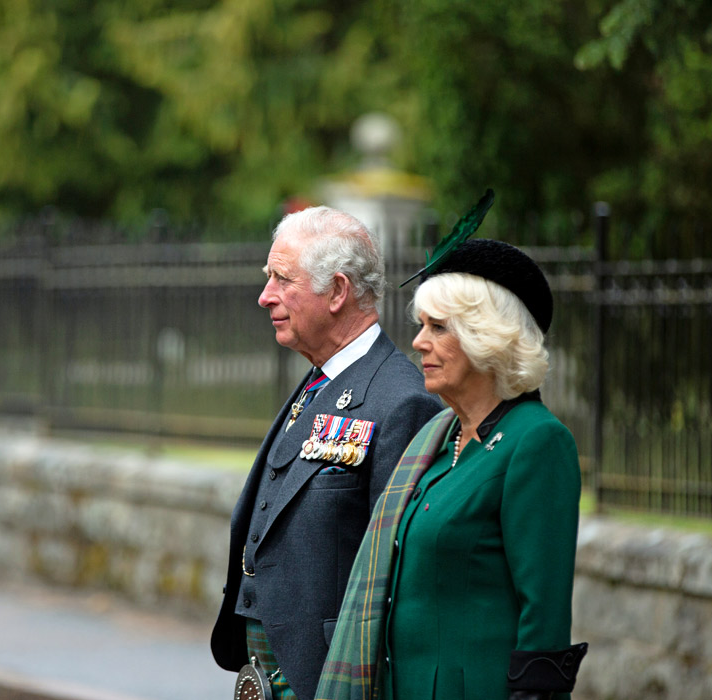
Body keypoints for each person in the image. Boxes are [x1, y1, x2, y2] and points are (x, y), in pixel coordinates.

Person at [316, 237, 587, 700]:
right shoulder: (438, 439)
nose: (419, 342)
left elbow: (544, 617)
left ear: (488, 336)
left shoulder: (537, 442)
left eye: (438, 327)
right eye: (422, 325)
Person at [210, 206, 443, 700]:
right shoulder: (320, 379)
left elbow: (398, 577)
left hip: (331, 674)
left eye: (282, 278)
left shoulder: (402, 401)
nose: (265, 295)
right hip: (267, 667)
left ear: (337, 292)